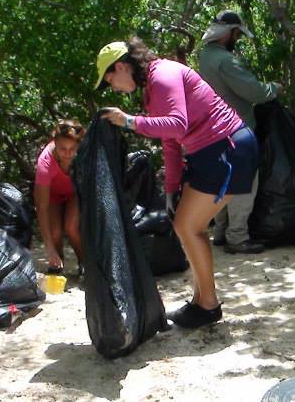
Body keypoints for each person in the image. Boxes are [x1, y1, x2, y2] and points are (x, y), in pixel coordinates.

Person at [95, 38, 258, 329]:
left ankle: (207, 305)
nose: (114, 88)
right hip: (210, 151)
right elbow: (170, 142)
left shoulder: (163, 75)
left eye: (110, 80)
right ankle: (201, 301)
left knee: (187, 226)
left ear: (121, 66)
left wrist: (129, 121)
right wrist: (171, 189)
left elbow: (176, 124)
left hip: (228, 149)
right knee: (186, 225)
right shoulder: (151, 89)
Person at [197, 10, 279, 254]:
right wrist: (273, 88)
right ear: (229, 33)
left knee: (222, 183)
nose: (238, 39)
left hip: (213, 131)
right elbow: (254, 92)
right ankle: (238, 237)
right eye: (237, 35)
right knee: (242, 185)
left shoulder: (206, 56)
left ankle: (221, 232)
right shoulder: (226, 61)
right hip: (236, 130)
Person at [33, 119, 86, 274]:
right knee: (54, 232)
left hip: (74, 193)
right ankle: (57, 261)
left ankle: (84, 261)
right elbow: (41, 207)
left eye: (72, 149)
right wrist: (49, 249)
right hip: (53, 195)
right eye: (63, 149)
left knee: (72, 227)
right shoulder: (45, 162)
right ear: (54, 143)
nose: (68, 154)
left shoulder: (84, 156)